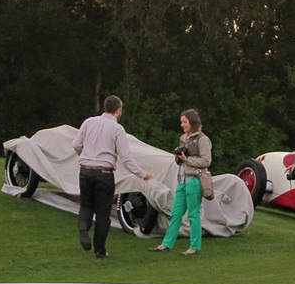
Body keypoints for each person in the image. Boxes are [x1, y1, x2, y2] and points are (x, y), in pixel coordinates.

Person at [71, 96, 151, 258]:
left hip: (85, 170)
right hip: (104, 173)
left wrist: (86, 156)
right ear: (119, 110)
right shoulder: (117, 129)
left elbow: (75, 145)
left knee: (86, 205)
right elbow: (126, 157)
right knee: (103, 212)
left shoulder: (88, 122)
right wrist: (141, 173)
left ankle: (83, 229)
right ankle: (100, 250)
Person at [151, 109, 211, 256]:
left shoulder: (203, 139)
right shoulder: (183, 137)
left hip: (195, 180)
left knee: (193, 214)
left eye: (184, 122)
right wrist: (178, 157)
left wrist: (187, 159)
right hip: (182, 180)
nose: (182, 124)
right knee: (176, 213)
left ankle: (194, 246)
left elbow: (206, 160)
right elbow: (181, 161)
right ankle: (166, 244)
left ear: (192, 122)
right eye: (182, 121)